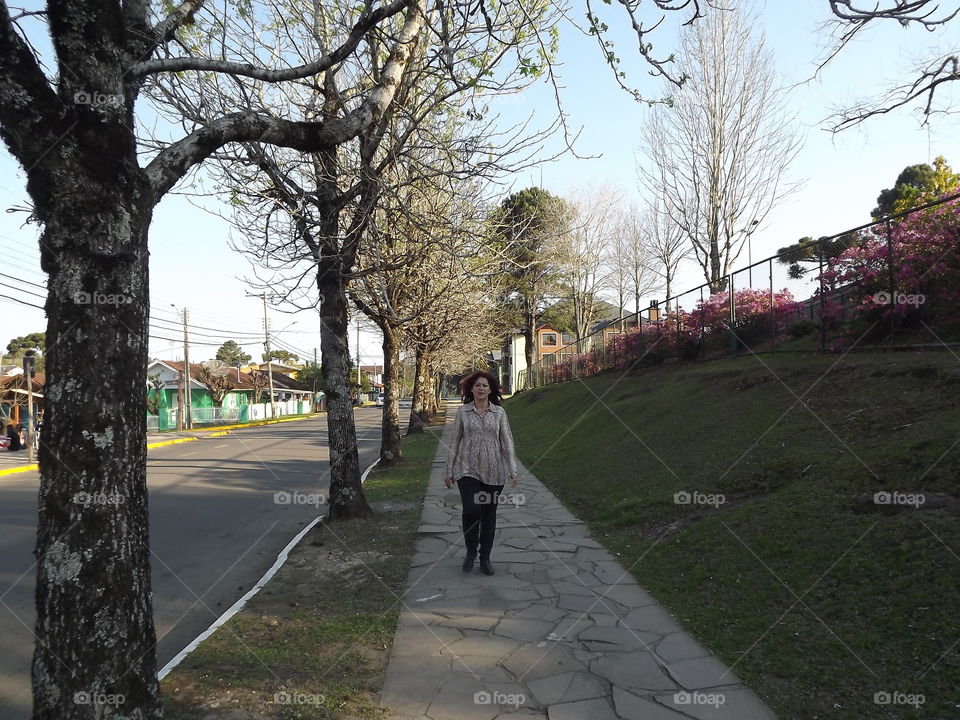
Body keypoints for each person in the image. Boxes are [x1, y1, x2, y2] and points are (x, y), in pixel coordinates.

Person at [443, 370, 519, 576]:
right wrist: (448, 470)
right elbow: (454, 442)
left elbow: (507, 442)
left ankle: (485, 557)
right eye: (477, 385)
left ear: (491, 389)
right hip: (467, 470)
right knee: (471, 510)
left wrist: (512, 469)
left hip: (494, 472)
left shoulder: (499, 413)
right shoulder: (463, 412)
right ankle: (470, 551)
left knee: (488, 516)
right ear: (471, 389)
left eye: (485, 385)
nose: (481, 388)